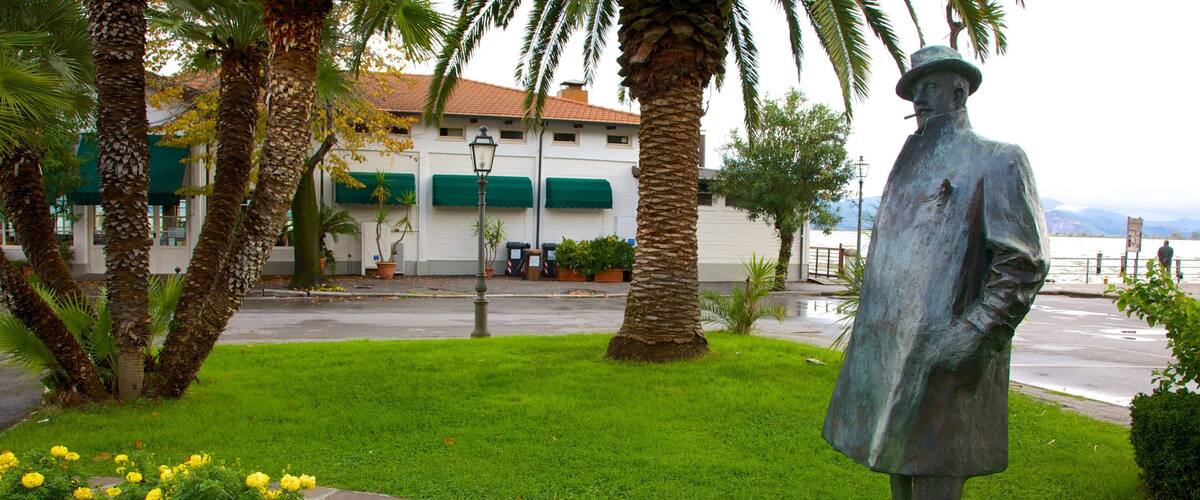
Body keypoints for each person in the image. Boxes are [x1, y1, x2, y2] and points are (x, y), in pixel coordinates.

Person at [822, 45, 1050, 500]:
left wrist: (975, 334)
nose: (919, 98)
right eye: (914, 89)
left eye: (929, 87)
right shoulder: (909, 163)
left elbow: (1023, 261)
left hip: (948, 344)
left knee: (938, 464)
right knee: (900, 460)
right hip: (892, 350)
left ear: (959, 91)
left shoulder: (998, 159)